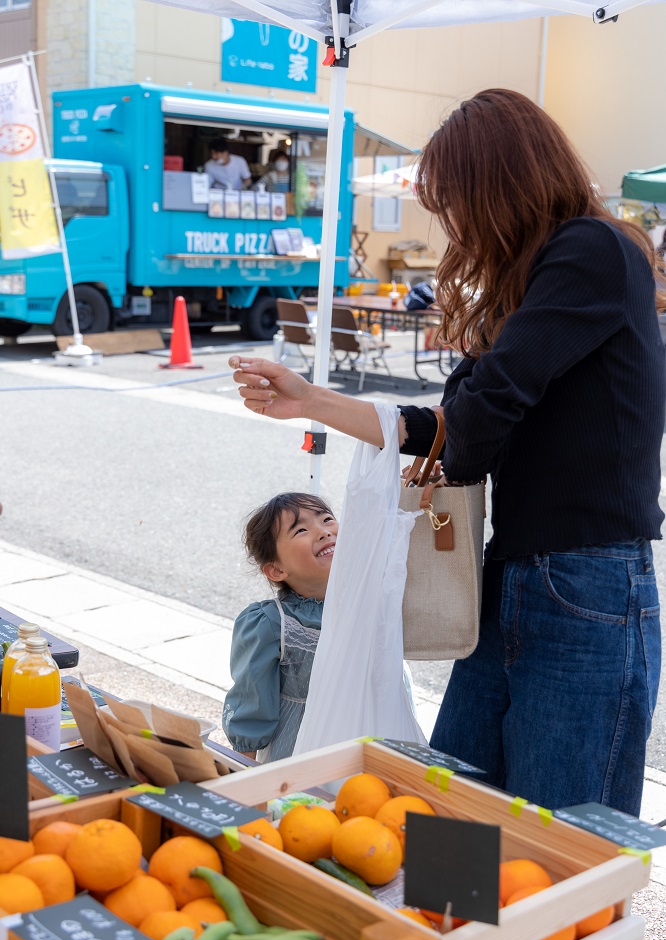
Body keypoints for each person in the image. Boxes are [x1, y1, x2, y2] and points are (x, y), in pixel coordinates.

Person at [228, 89, 666, 816]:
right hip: (520, 576)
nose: (453, 221)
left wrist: (355, 409)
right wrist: (311, 401)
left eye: (455, 198)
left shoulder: (593, 250)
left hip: (588, 583)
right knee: (453, 820)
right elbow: (452, 422)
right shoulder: (541, 274)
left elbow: (475, 418)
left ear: (503, 183)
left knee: (557, 841)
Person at [222, 493, 338, 763]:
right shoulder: (273, 623)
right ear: (275, 570)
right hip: (301, 755)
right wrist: (242, 779)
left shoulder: (370, 599)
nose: (323, 532)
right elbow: (251, 703)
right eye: (301, 530)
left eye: (327, 519)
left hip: (373, 741)